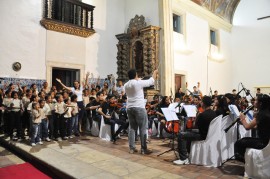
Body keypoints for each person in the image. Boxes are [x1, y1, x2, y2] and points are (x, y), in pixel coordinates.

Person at [173, 96, 217, 165]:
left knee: (181, 135)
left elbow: (194, 126)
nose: (200, 103)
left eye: (201, 102)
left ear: (203, 104)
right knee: (188, 132)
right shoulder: (213, 113)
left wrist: (197, 116)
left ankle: (183, 158)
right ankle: (188, 153)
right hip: (209, 134)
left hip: (202, 135)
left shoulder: (202, 114)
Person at [124, 68, 158, 154]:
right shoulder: (138, 83)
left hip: (129, 107)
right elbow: (151, 81)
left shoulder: (126, 85)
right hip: (139, 107)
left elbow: (136, 81)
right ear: (135, 75)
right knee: (143, 128)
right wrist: (154, 73)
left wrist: (140, 79)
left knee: (132, 128)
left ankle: (132, 148)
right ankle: (143, 149)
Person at [234, 94, 270, 162]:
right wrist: (243, 123)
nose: (254, 102)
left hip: (263, 142)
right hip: (266, 141)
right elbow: (257, 126)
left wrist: (243, 118)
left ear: (260, 103)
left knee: (238, 143)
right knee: (244, 140)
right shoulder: (266, 112)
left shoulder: (261, 114)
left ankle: (247, 162)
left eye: (256, 100)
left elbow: (247, 127)